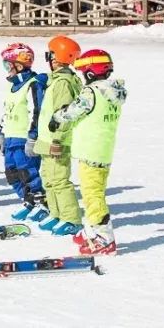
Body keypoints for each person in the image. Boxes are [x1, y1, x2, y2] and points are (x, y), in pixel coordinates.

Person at [51, 49, 126, 255]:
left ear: (91, 73)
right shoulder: (114, 93)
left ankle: (104, 238)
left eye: (84, 73)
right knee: (95, 191)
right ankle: (93, 230)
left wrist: (57, 116)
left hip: (90, 151)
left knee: (93, 196)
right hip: (103, 150)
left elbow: (75, 109)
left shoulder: (91, 92)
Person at [34, 35, 83, 236]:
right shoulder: (56, 81)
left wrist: (58, 139)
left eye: (49, 55)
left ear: (57, 58)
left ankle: (71, 219)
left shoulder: (63, 83)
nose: (48, 59)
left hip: (56, 140)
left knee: (60, 180)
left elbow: (64, 113)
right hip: (46, 139)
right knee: (48, 179)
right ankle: (56, 213)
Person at [0, 43, 49, 221]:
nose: (6, 69)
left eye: (7, 65)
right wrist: (1, 133)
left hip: (25, 139)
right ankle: (29, 200)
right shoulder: (12, 86)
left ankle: (40, 201)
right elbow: (7, 111)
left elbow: (38, 111)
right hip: (11, 138)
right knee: (12, 173)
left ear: (18, 65)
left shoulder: (33, 85)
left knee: (28, 172)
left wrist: (33, 136)